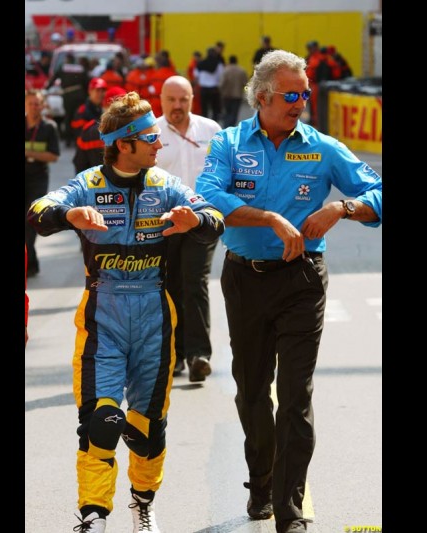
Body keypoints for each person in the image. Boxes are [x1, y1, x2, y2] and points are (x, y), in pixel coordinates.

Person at [195, 49, 382, 533]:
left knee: (296, 396)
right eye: (291, 94)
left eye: (306, 93)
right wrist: (269, 218)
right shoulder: (231, 143)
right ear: (262, 96)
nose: (301, 102)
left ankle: (290, 508)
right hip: (244, 279)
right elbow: (207, 194)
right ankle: (261, 484)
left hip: (302, 280)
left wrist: (342, 210)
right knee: (252, 392)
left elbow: (377, 192)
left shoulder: (322, 146)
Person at [27, 92, 225, 533]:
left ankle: (143, 503)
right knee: (97, 418)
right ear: (124, 144)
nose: (159, 144)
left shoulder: (166, 184)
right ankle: (94, 514)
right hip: (103, 316)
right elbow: (38, 211)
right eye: (150, 137)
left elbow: (215, 216)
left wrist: (196, 222)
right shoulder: (89, 183)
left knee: (150, 425)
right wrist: (69, 214)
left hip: (156, 314)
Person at [155, 76, 222, 382]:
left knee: (195, 282)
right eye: (172, 100)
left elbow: (224, 173)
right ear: (161, 99)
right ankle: (175, 355)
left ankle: (199, 355)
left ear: (193, 99)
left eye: (183, 99)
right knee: (170, 287)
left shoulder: (211, 130)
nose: (177, 106)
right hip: (163, 223)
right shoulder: (150, 132)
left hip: (201, 220)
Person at [24, 89, 60, 277]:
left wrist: (30, 154)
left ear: (42, 105)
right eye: (30, 103)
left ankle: (29, 260)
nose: (33, 107)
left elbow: (53, 156)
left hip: (38, 178)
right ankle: (31, 262)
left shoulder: (49, 127)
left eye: (37, 103)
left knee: (30, 220)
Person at [73, 85, 127, 174]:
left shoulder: (89, 131)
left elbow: (80, 164)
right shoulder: (135, 131)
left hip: (96, 184)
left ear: (104, 106)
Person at [219, 55, 248, 128]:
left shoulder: (226, 70)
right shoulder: (241, 70)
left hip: (226, 95)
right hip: (237, 95)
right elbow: (245, 83)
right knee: (234, 114)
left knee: (227, 113)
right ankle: (231, 127)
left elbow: (222, 83)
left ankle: (226, 127)